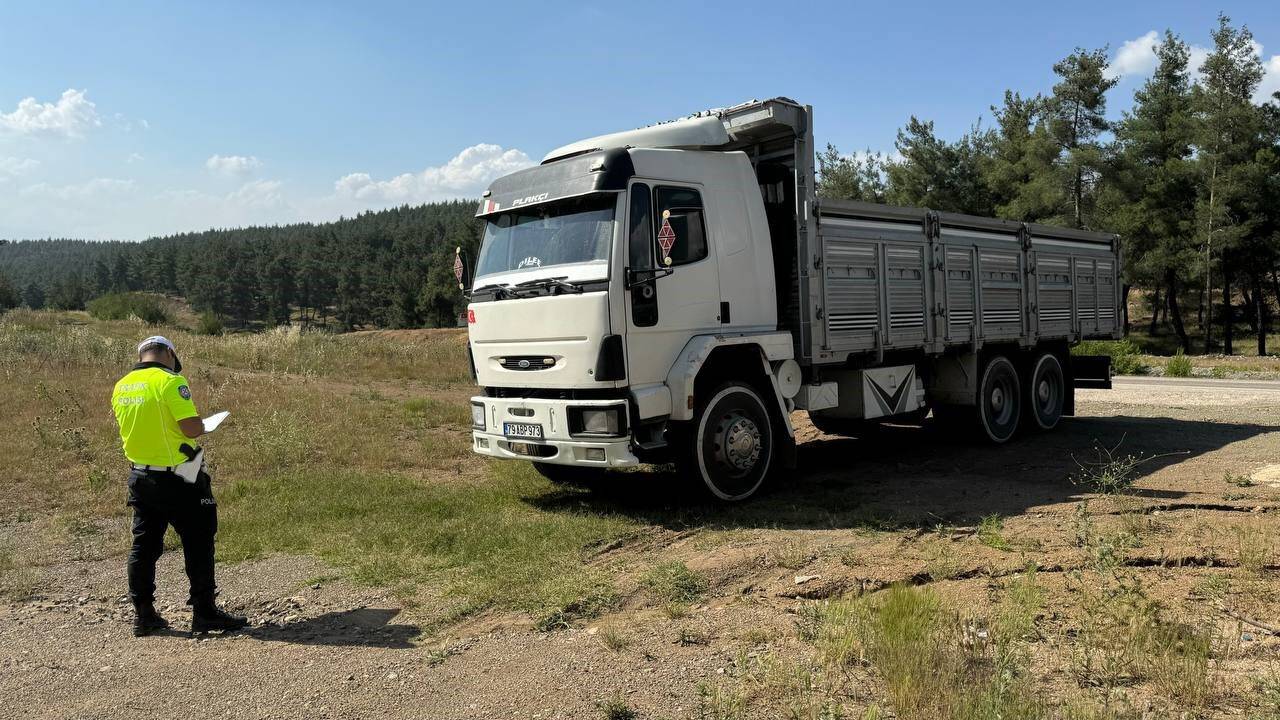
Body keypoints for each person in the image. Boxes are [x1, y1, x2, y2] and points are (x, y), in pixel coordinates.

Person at [111, 336, 247, 636]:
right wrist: (204, 424)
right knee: (199, 539)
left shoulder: (122, 385)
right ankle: (204, 612)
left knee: (144, 546)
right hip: (181, 471)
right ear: (170, 353)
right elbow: (190, 428)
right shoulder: (171, 382)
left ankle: (144, 615)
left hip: (140, 473)